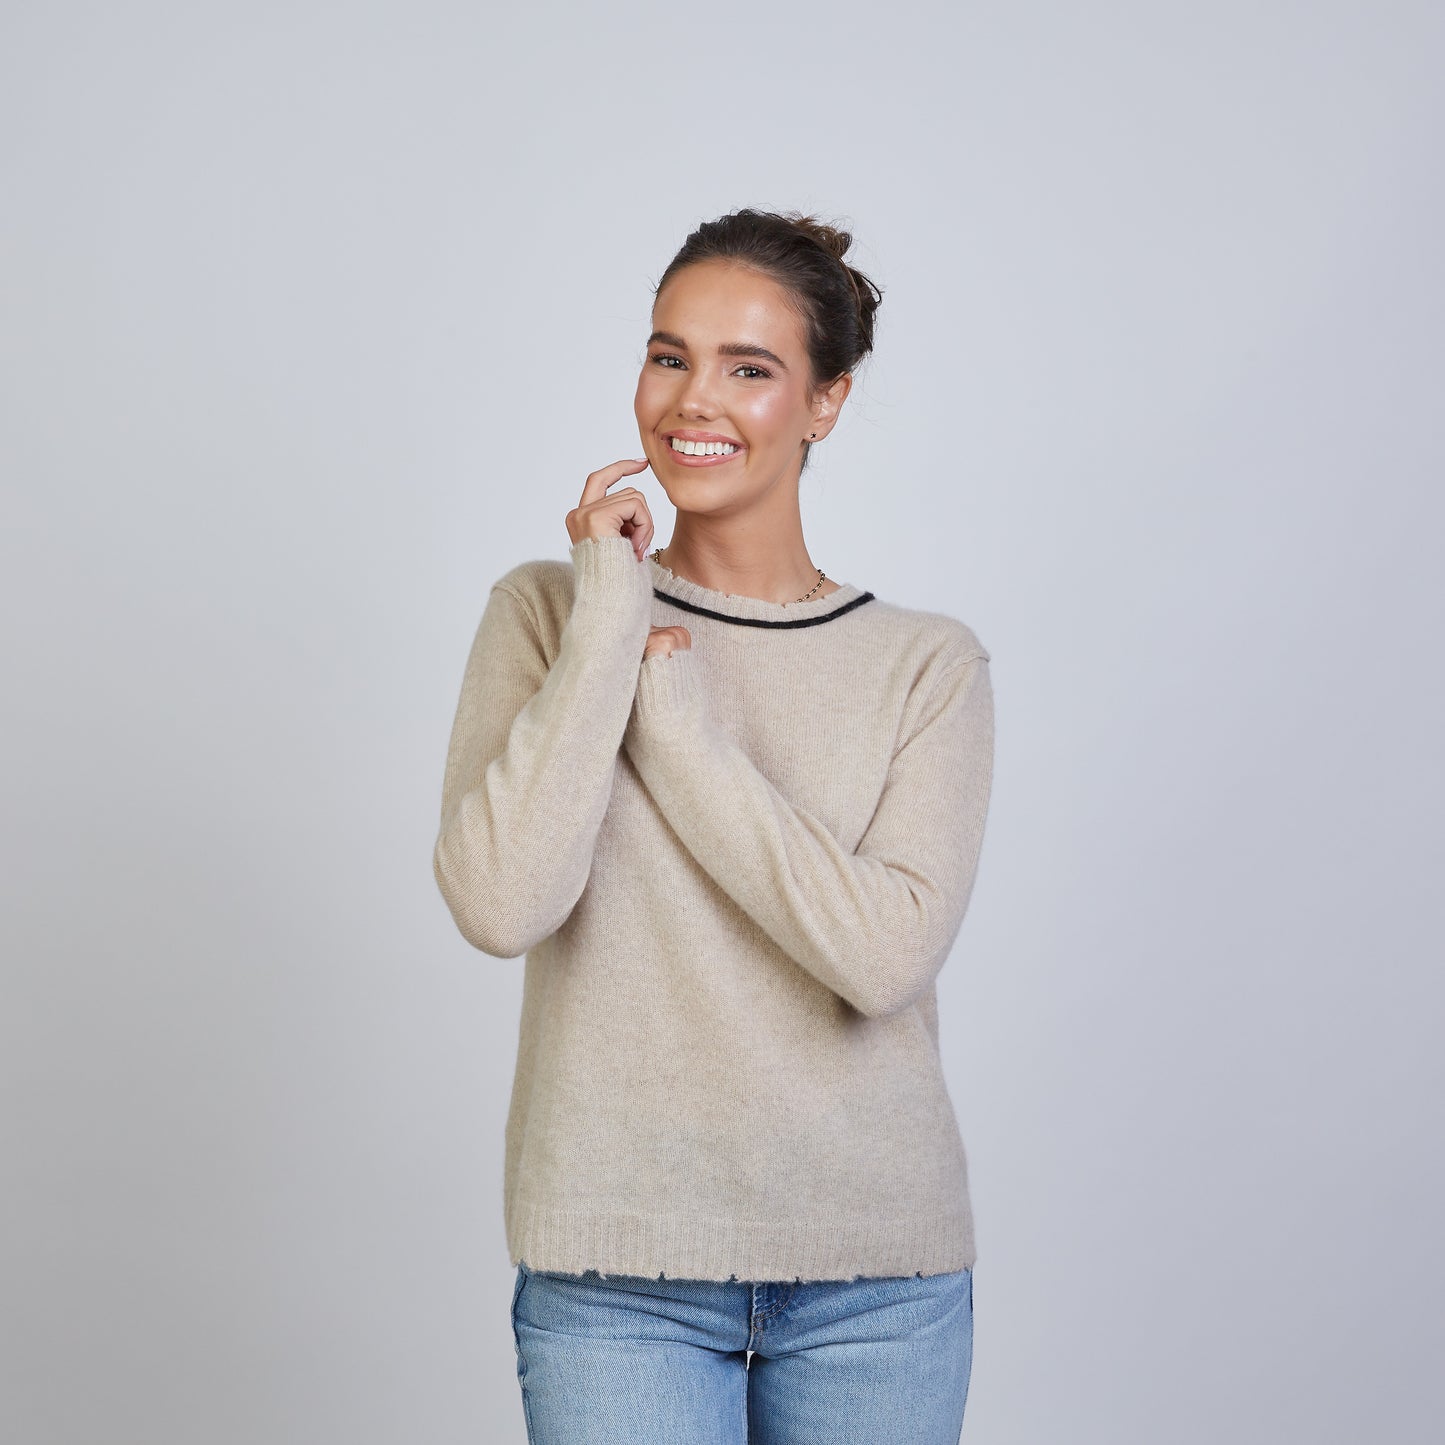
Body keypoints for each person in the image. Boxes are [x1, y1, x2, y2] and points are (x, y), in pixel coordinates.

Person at [432, 208, 995, 1443]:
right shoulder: (549, 615)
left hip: (877, 1284)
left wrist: (677, 727)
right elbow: (498, 900)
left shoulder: (924, 665)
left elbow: (881, 954)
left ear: (826, 401)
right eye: (668, 353)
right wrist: (609, 621)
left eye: (751, 367)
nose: (694, 399)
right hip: (613, 1280)